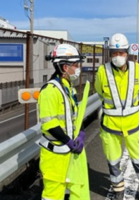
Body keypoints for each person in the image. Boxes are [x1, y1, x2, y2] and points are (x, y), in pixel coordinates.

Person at [95, 33, 139, 200]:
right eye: (114, 53)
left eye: (121, 53)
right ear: (110, 54)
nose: (118, 56)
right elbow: (100, 91)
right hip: (110, 125)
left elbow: (137, 90)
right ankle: (118, 189)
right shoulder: (102, 71)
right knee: (113, 160)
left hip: (132, 124)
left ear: (127, 53)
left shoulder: (137, 69)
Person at [38, 44, 90, 200]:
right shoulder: (50, 91)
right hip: (55, 156)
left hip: (70, 154)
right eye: (76, 65)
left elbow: (73, 116)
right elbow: (49, 124)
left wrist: (80, 133)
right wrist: (68, 141)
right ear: (65, 67)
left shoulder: (68, 87)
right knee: (53, 195)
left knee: (75, 191)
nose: (78, 68)